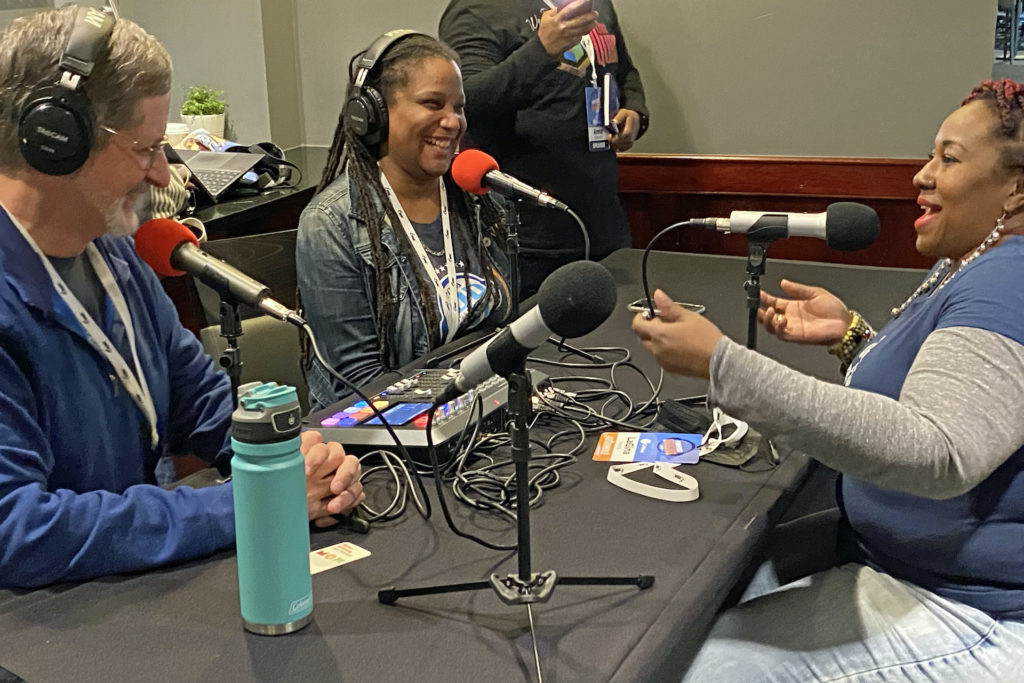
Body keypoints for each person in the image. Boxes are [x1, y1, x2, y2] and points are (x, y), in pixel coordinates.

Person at [633, 79, 1024, 680]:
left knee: (695, 667)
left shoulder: (1009, 280)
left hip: (973, 609)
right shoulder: (971, 262)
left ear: (1016, 186)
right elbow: (954, 392)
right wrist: (853, 339)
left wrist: (723, 365)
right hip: (895, 559)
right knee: (688, 604)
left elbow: (939, 451)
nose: (922, 175)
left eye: (948, 159)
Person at [0, 6, 363, 589]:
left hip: (119, 593)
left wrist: (293, 461)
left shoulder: (114, 254)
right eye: (146, 149)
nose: (162, 176)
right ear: (57, 142)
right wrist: (251, 502)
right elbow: (19, 531)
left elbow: (203, 403)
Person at [296, 32, 512, 411]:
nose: (453, 122)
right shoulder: (330, 223)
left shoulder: (477, 201)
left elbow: (500, 329)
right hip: (384, 432)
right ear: (374, 114)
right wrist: (461, 404)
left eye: (459, 107)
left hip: (477, 407)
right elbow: (358, 384)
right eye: (432, 104)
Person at [440, 0, 649, 299]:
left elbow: (624, 71)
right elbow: (465, 104)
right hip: (527, 240)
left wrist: (635, 109)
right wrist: (541, 50)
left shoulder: (595, 3)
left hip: (605, 225)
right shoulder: (477, 8)